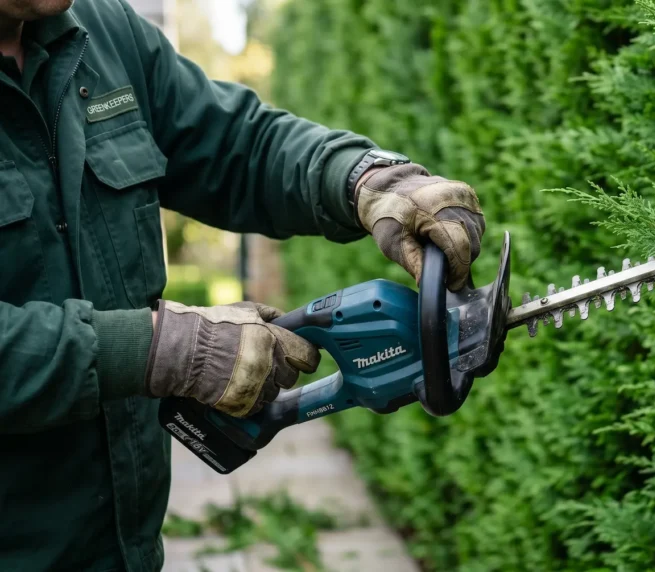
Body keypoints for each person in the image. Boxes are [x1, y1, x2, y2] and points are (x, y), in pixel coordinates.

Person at [0, 0, 486, 569]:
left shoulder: (100, 33)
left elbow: (236, 145)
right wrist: (160, 348)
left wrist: (362, 178)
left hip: (125, 548)